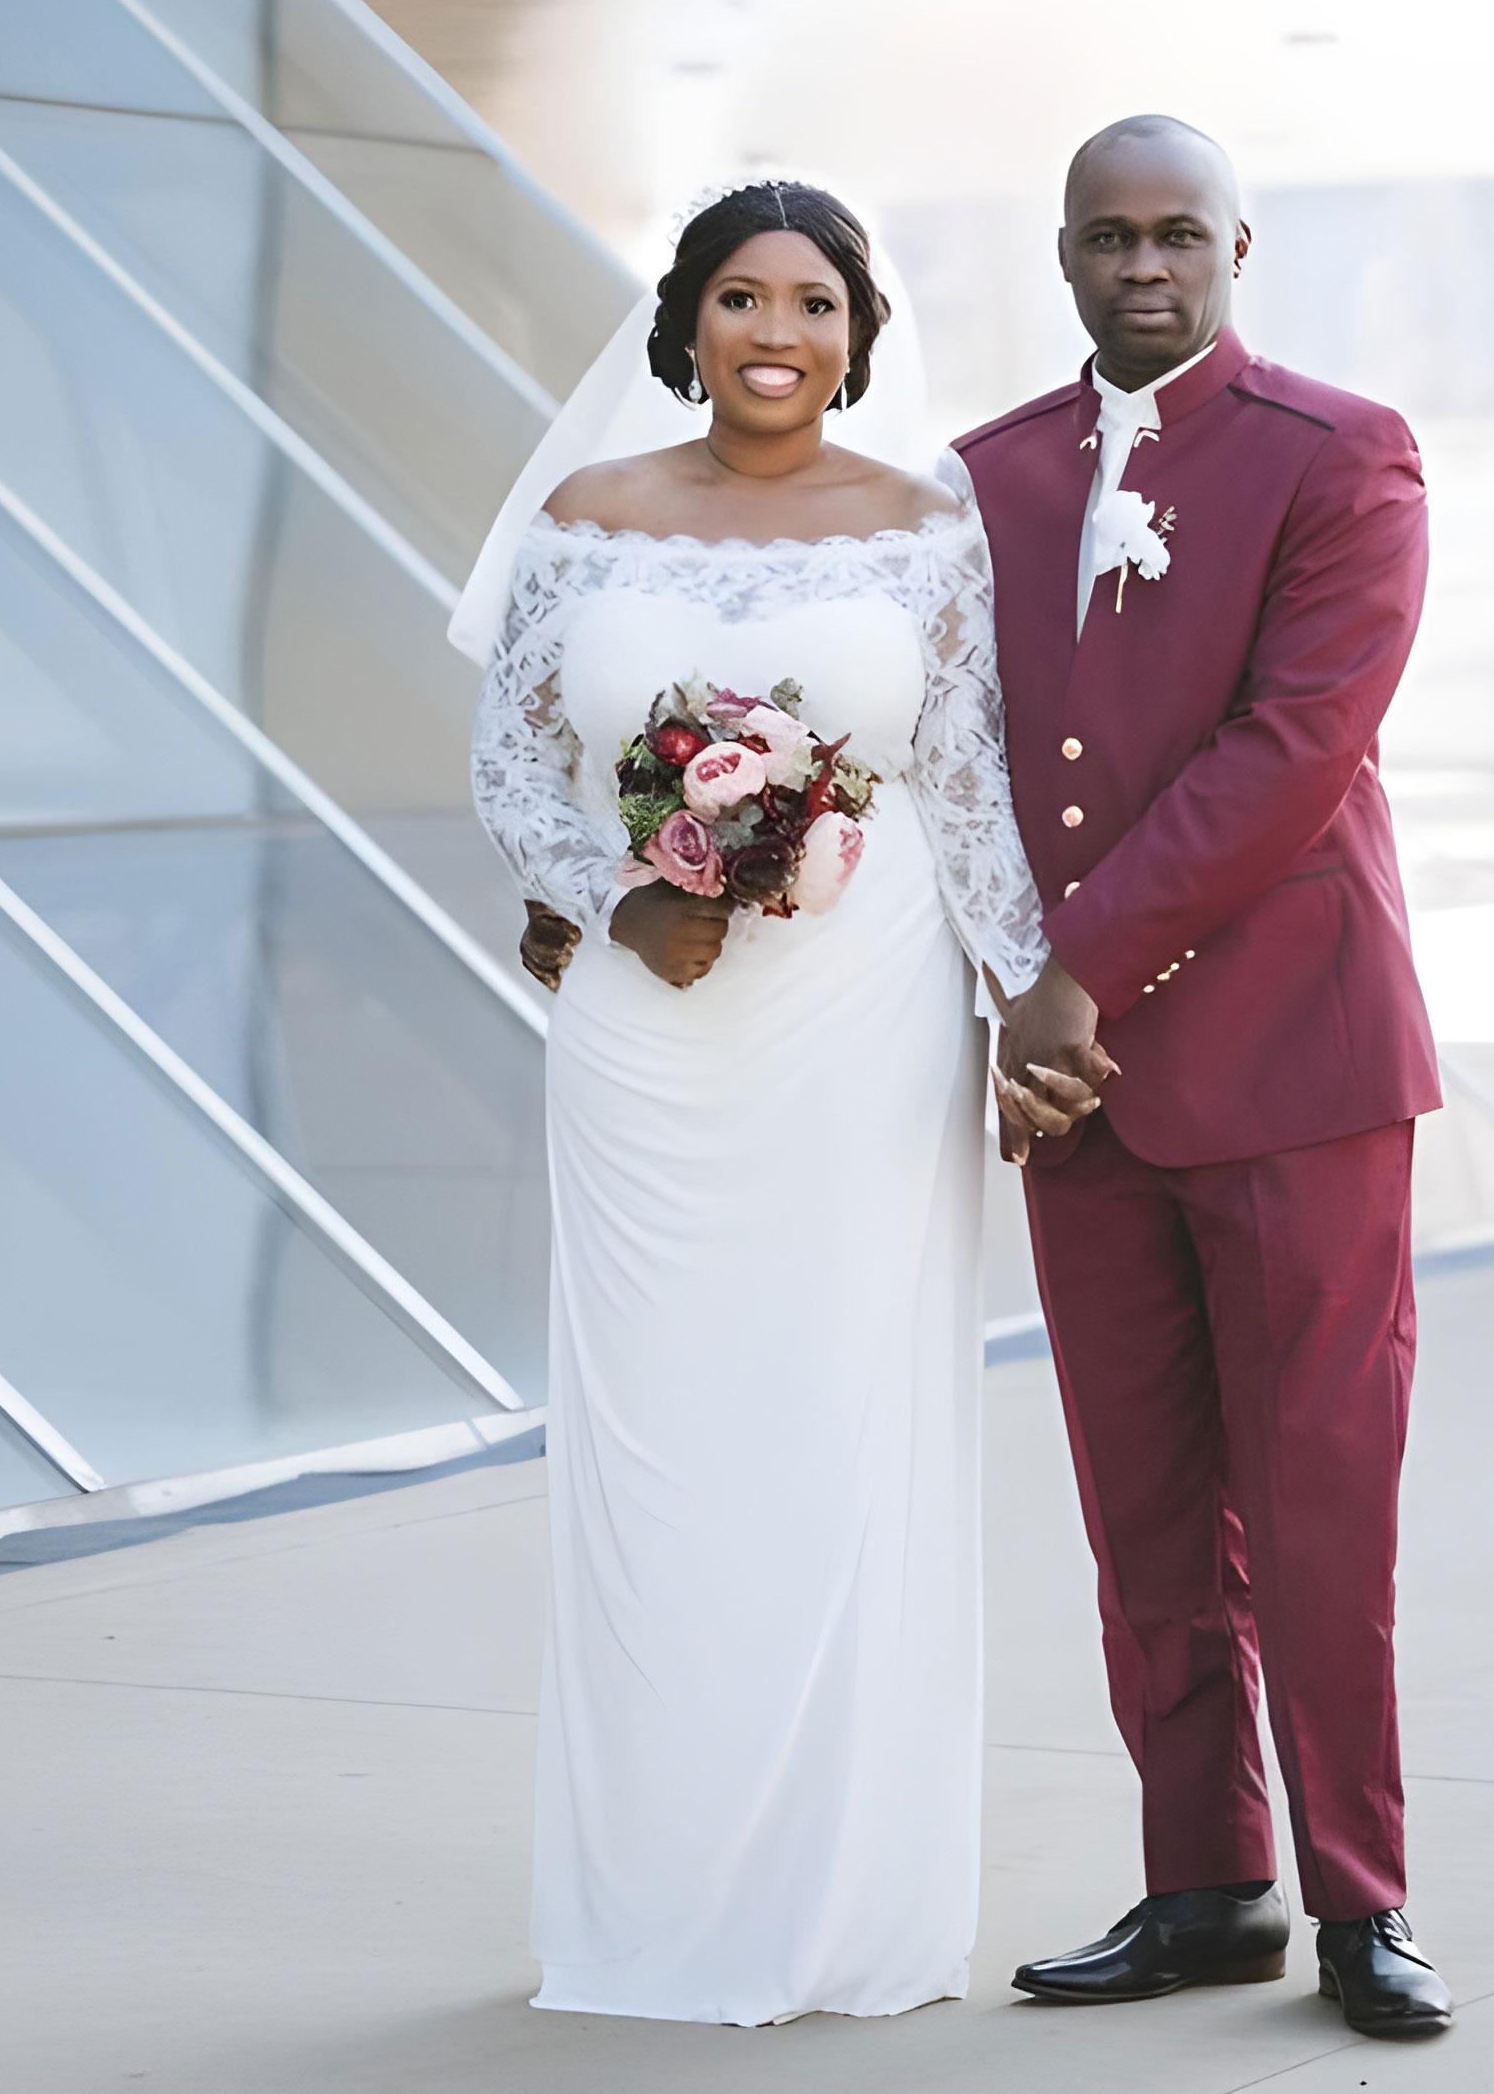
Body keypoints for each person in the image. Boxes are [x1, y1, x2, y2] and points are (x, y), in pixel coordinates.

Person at [452, 181, 1093, 2026]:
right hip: (649, 1040)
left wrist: (1025, 992)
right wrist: (610, 895)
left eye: (815, 301)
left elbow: (965, 784)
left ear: (857, 332)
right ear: (687, 320)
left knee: (843, 1423)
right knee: (657, 1446)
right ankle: (649, 1901)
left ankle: (840, 1897)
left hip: (863, 1021)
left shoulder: (923, 521)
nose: (778, 332)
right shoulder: (586, 518)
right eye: (742, 296)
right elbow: (509, 759)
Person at [962, 116, 1454, 2039]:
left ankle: (1361, 1903)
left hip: (1297, 1068)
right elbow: (964, 758)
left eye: (1177, 233)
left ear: (1237, 245)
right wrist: (1017, 994)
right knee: (1145, 1510)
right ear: (1064, 251)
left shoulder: (1346, 458)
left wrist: (1070, 974)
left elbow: (1291, 750)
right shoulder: (990, 477)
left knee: (1322, 1501)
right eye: (1107, 236)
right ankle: (1205, 1882)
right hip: (1080, 1094)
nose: (1142, 265)